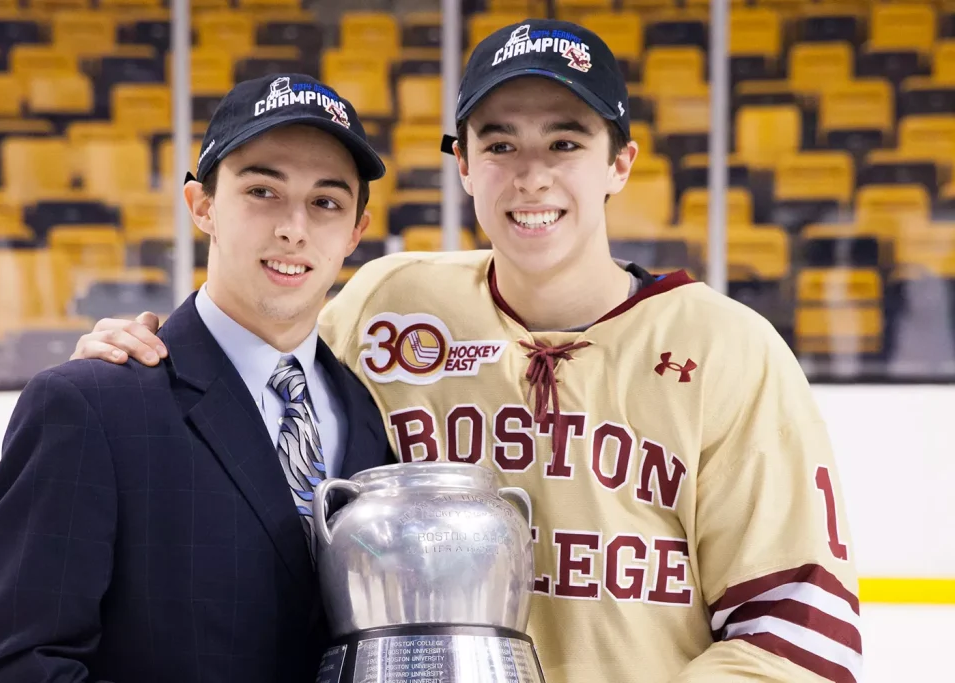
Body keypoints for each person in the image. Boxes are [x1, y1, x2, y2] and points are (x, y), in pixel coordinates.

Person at [69, 20, 863, 683]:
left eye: (564, 142)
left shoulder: (727, 349)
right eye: (500, 145)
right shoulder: (392, 305)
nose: (531, 176)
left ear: (619, 163)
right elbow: (256, 367)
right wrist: (144, 353)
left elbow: (802, 633)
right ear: (463, 165)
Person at [0, 73, 395, 683]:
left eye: (325, 202)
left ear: (355, 231)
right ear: (202, 206)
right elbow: (8, 670)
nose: (294, 227)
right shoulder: (90, 405)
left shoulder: (372, 416)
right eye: (263, 190)